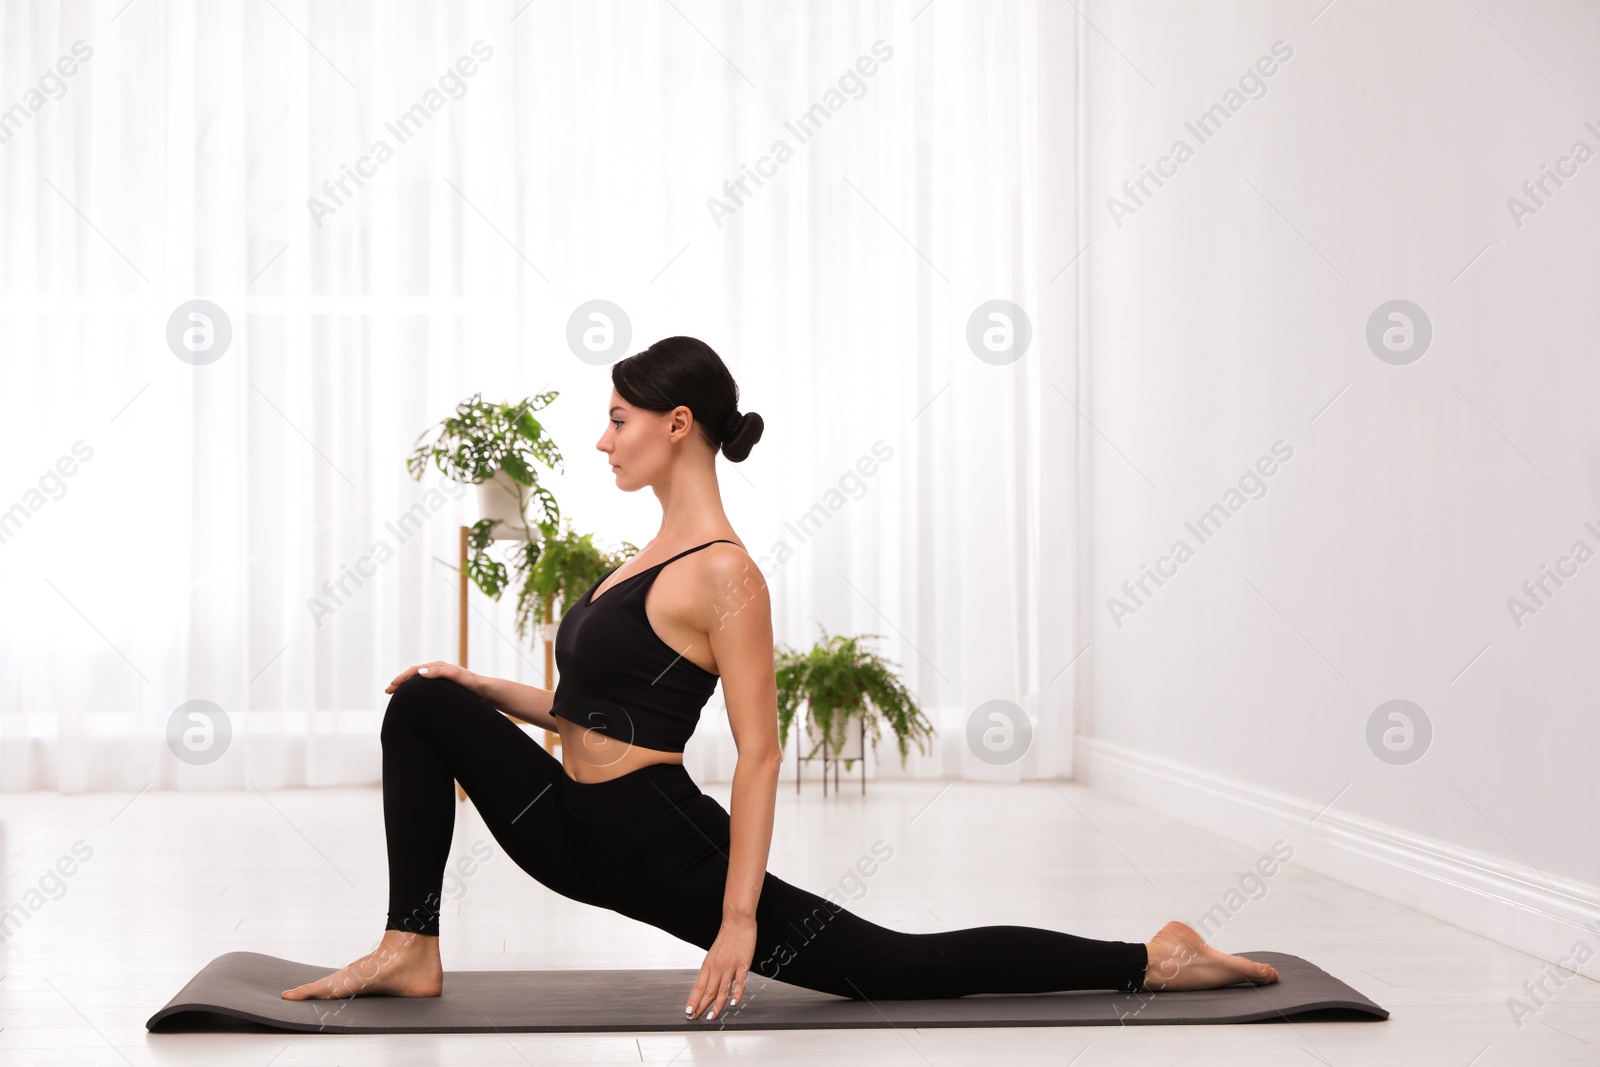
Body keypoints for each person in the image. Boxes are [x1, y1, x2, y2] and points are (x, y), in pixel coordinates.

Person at [282, 336, 1279, 1020]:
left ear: (677, 423)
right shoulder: (635, 559)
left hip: (650, 841)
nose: (601, 438)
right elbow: (590, 711)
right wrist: (476, 685)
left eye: (617, 418)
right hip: (568, 828)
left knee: (894, 967)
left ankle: (1153, 957)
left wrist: (736, 918)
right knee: (423, 702)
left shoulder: (726, 574)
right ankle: (409, 944)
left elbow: (758, 753)